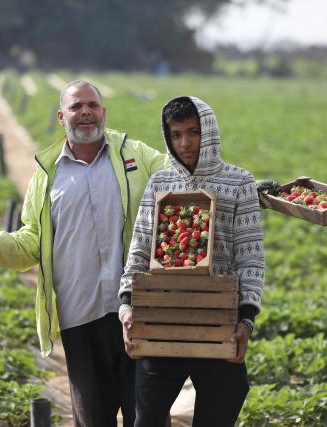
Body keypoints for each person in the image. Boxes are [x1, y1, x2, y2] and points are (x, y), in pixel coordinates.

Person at [0, 80, 168, 427]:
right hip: (80, 318)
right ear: (62, 117)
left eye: (92, 104)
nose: (85, 112)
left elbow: (180, 177)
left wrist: (235, 186)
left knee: (148, 417)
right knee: (92, 419)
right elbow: (32, 240)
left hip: (138, 313)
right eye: (76, 106)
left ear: (104, 112)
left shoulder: (136, 156)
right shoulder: (47, 177)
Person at [118, 96, 265, 427]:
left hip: (217, 319)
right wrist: (126, 306)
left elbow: (250, 256)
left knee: (221, 407)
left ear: (208, 133)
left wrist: (246, 318)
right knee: (148, 417)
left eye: (193, 132)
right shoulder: (160, 183)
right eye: (176, 134)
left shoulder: (239, 182)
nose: (185, 143)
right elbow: (140, 251)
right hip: (163, 317)